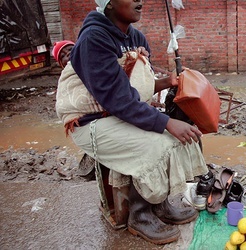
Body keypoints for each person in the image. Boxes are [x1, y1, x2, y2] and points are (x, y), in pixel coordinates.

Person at [55, 0, 209, 245]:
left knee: (178, 137)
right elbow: (118, 99)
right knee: (155, 144)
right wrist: (166, 123)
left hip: (118, 113)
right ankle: (140, 215)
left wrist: (166, 82)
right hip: (91, 122)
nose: (140, 1)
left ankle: (159, 205)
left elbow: (137, 88)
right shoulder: (94, 39)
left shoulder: (135, 36)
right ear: (110, 4)